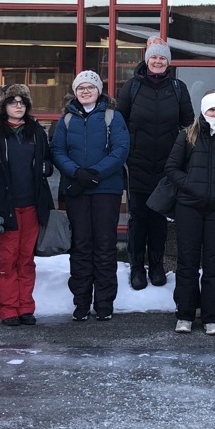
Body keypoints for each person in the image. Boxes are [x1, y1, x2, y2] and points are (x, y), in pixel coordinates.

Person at [51, 71, 130, 322]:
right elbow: (57, 150)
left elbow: (120, 150)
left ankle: (105, 302)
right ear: (75, 92)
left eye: (90, 87)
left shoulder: (112, 117)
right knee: (81, 245)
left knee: (105, 245)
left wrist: (96, 172)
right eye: (81, 87)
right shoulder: (65, 120)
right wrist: (77, 172)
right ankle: (81, 301)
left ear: (99, 90)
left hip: (106, 189)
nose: (86, 91)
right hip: (78, 190)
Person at [115, 40, 194, 291]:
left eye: (162, 59)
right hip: (137, 163)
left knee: (159, 217)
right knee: (138, 218)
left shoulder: (178, 88)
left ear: (168, 62)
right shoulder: (132, 87)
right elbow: (119, 122)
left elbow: (189, 124)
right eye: (154, 58)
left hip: (166, 165)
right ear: (146, 60)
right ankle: (137, 267)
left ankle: (157, 265)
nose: (158, 62)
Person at [0, 84, 54, 326]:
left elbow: (47, 162)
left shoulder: (36, 131)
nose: (18, 105)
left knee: (26, 259)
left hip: (31, 205)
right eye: (12, 101)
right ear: (3, 106)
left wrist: (46, 168)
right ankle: (8, 308)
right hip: (3, 207)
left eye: (22, 102)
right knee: (6, 260)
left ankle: (25, 307)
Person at [165, 90, 215, 335]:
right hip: (189, 208)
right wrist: (192, 186)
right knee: (187, 263)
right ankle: (185, 314)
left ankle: (212, 317)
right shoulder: (187, 136)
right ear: (203, 112)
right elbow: (172, 168)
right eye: (211, 110)